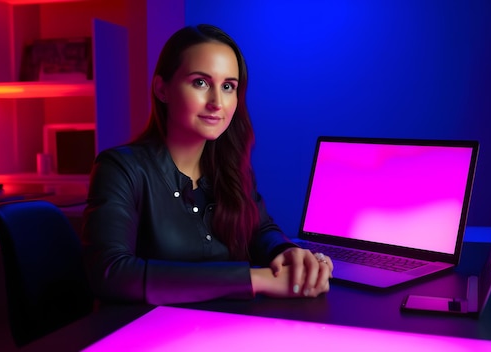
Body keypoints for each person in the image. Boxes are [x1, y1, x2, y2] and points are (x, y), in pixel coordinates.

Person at [82, 24, 334, 306]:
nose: (217, 102)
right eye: (200, 82)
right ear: (162, 89)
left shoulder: (230, 168)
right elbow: (110, 273)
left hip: (226, 330)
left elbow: (260, 230)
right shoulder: (119, 169)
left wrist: (285, 252)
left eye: (228, 87)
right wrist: (257, 279)